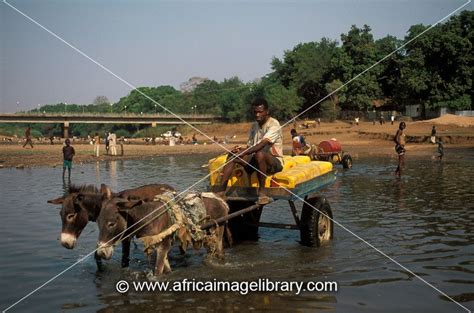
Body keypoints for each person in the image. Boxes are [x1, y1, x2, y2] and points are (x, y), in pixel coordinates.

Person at [218, 98, 283, 205]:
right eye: (255, 112)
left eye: (260, 112)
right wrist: (239, 150)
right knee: (233, 155)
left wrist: (244, 152)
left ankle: (262, 193)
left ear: (267, 111)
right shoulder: (254, 126)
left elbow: (261, 145)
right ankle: (221, 192)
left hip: (273, 161)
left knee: (259, 154)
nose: (257, 115)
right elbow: (250, 146)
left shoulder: (274, 124)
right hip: (255, 159)